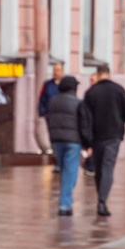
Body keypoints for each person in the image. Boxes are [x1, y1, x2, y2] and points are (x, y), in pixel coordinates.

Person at [82, 65, 125, 218]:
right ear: (109, 74)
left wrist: (85, 140)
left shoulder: (91, 92)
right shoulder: (118, 90)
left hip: (96, 137)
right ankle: (102, 201)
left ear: (98, 74)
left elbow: (85, 118)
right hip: (113, 136)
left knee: (98, 168)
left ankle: (101, 198)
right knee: (107, 167)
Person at [44, 74, 86, 215]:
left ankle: (66, 201)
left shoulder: (53, 101)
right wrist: (86, 142)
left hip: (57, 141)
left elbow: (49, 120)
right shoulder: (77, 103)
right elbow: (83, 124)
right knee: (70, 173)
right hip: (73, 142)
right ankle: (64, 204)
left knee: (63, 171)